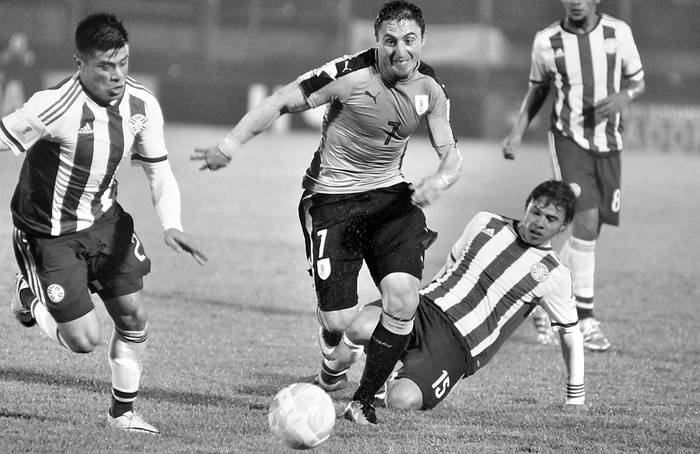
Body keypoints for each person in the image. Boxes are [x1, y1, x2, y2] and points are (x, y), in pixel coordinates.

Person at [191, 0, 462, 423]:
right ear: (376, 41)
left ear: (423, 41)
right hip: (331, 199)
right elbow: (280, 101)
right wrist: (228, 147)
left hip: (390, 198)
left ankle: (363, 401)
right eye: (390, 41)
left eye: (410, 40)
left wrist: (439, 181)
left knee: (403, 298)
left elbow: (450, 154)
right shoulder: (347, 74)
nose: (400, 51)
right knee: (338, 319)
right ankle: (335, 348)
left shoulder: (431, 87)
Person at [1, 13, 207, 434]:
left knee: (134, 317)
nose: (117, 76)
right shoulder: (52, 105)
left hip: (105, 222)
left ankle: (121, 414)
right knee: (83, 340)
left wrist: (171, 224)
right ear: (80, 63)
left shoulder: (141, 104)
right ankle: (30, 295)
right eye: (106, 66)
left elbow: (159, 172)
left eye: (124, 63)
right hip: (48, 233)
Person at [335, 180, 585, 423]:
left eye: (550, 219)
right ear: (527, 205)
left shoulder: (555, 275)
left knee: (402, 400)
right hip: (425, 308)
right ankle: (334, 375)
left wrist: (576, 397)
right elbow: (449, 266)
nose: (539, 223)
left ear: (563, 227)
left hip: (457, 345)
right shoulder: (486, 222)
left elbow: (570, 334)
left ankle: (398, 379)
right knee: (359, 326)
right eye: (536, 212)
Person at [502, 0, 645, 352]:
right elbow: (538, 89)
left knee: (589, 232)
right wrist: (518, 132)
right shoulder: (546, 41)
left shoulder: (618, 32)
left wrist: (623, 97)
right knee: (585, 219)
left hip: (609, 143)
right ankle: (585, 320)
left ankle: (540, 293)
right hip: (569, 140)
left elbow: (638, 81)